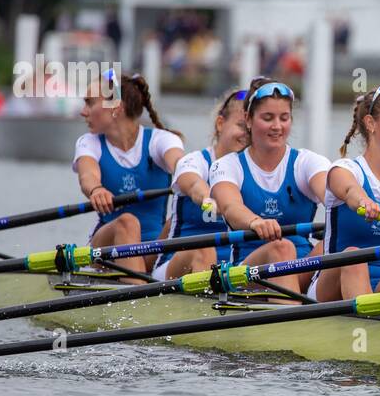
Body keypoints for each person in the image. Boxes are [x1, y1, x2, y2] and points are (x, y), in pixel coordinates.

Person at [209, 78, 329, 293]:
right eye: (267, 118)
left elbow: (331, 195)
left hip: (301, 268)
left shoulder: (307, 162)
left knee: (332, 246)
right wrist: (255, 222)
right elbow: (230, 207)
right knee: (281, 248)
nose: (277, 126)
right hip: (249, 274)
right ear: (248, 119)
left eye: (284, 118)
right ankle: (290, 317)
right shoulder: (227, 165)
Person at [309, 85, 380, 302]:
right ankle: (368, 329)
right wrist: (363, 201)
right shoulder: (346, 169)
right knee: (354, 256)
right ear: (371, 123)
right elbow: (349, 190)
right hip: (332, 286)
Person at [73, 70, 184, 272]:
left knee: (179, 221)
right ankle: (139, 294)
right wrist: (96, 189)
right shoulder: (89, 143)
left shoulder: (162, 140)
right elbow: (87, 175)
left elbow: (182, 168)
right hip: (106, 250)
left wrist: (192, 183)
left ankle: (138, 282)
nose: (83, 111)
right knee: (127, 222)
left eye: (89, 102)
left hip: (153, 248)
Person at [155, 88, 251, 281]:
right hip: (179, 262)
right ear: (220, 123)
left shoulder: (254, 168)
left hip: (232, 268)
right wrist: (212, 202)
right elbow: (192, 184)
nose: (246, 135)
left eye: (250, 130)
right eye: (241, 126)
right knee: (204, 251)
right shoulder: (195, 161)